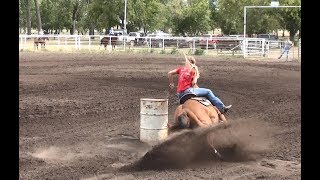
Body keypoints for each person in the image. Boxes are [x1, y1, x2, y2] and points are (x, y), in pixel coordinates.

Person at [168, 54, 232, 114]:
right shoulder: (193, 70)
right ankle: (222, 108)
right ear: (193, 63)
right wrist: (196, 76)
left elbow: (169, 73)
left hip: (180, 94)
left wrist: (171, 83)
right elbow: (193, 83)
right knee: (208, 92)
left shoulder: (181, 69)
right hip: (188, 92)